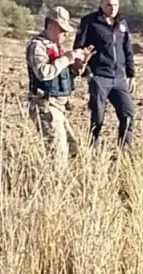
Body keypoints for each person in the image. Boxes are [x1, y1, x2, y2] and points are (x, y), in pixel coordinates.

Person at [25, 7, 92, 164]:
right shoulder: (38, 46)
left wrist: (80, 64)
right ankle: (54, 184)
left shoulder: (57, 47)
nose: (65, 35)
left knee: (72, 148)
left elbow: (66, 75)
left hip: (59, 106)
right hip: (46, 105)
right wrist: (67, 59)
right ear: (51, 26)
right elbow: (44, 73)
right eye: (62, 30)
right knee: (58, 154)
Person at [74, 0, 136, 150]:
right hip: (99, 77)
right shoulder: (90, 22)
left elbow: (127, 49)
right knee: (98, 117)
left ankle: (124, 151)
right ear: (101, 4)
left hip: (119, 78)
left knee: (128, 114)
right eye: (109, 4)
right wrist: (88, 73)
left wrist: (131, 74)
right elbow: (79, 48)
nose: (112, 8)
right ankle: (93, 150)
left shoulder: (122, 23)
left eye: (115, 4)